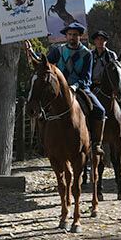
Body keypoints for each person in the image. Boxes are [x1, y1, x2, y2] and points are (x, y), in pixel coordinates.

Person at [46, 22, 105, 154]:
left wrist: (74, 86)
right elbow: (44, 63)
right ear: (66, 36)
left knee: (100, 110)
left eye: (75, 35)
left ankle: (96, 143)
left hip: (80, 89)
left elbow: (86, 78)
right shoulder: (58, 50)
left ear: (80, 36)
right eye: (70, 34)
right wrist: (31, 52)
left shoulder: (86, 54)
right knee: (41, 109)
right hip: (60, 90)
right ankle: (44, 142)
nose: (72, 37)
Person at [90, 30, 121, 136]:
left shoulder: (111, 55)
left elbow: (117, 71)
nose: (100, 41)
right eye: (98, 39)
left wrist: (119, 85)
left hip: (109, 86)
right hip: (93, 84)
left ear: (105, 42)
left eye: (102, 39)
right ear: (94, 41)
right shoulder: (90, 55)